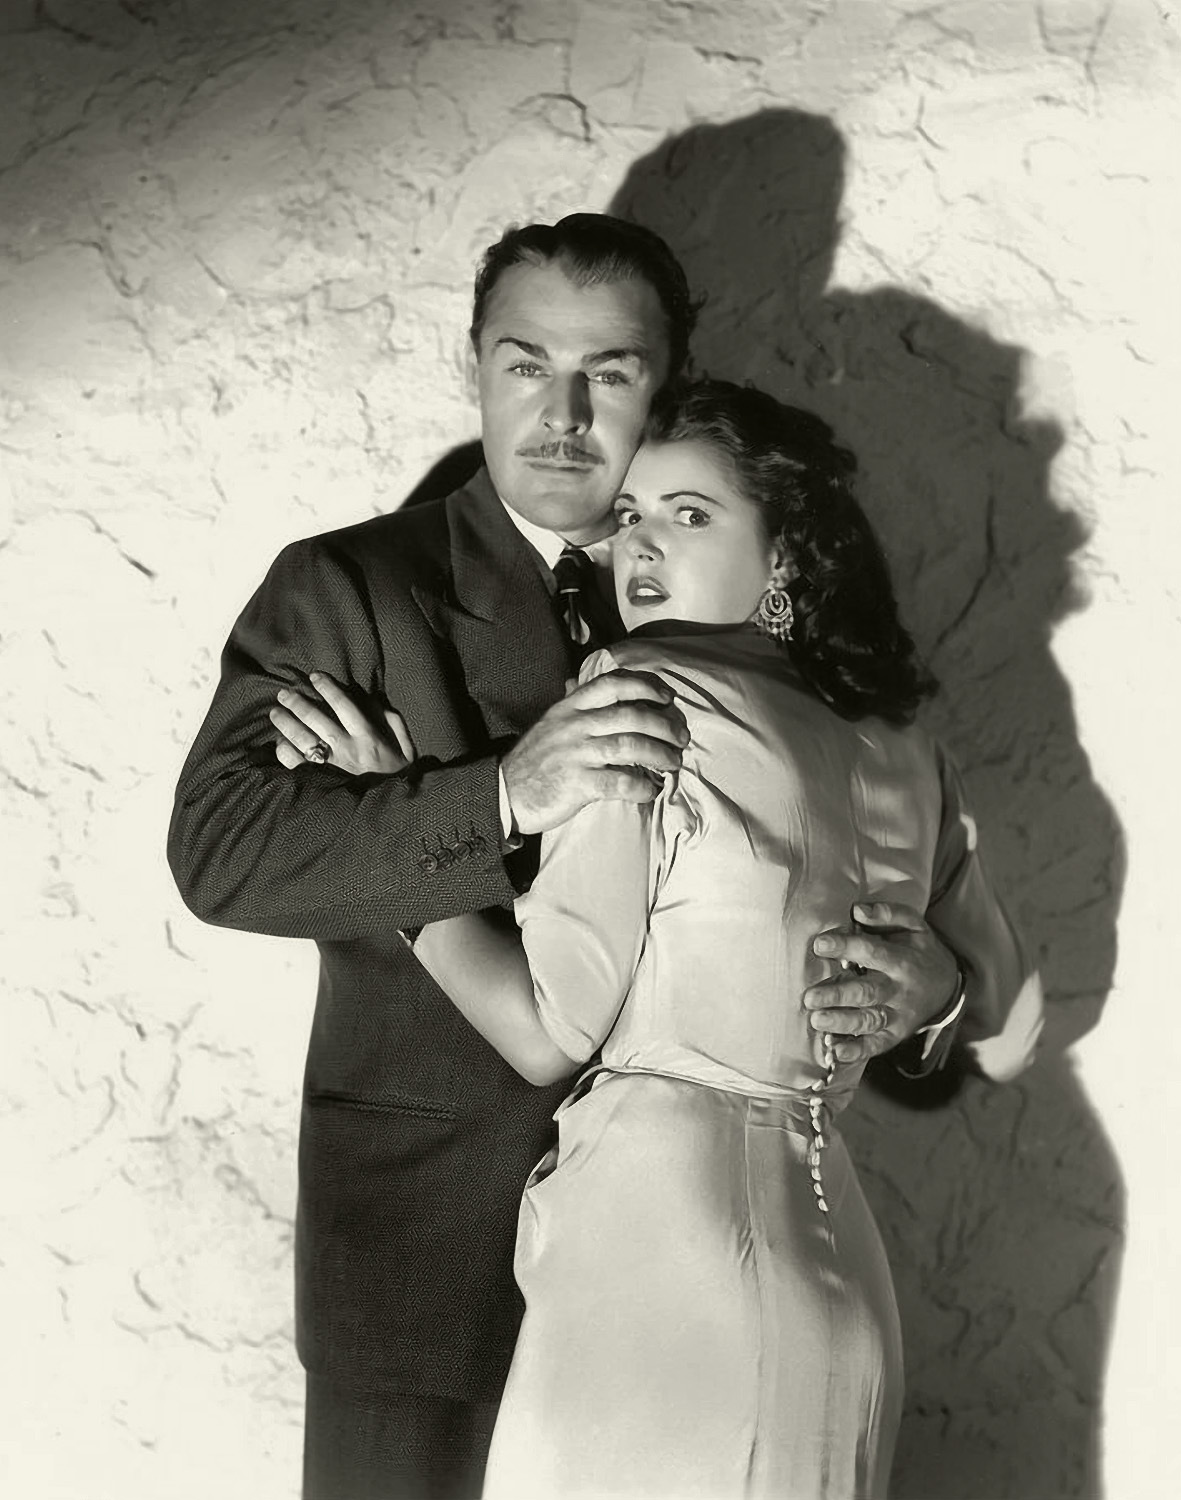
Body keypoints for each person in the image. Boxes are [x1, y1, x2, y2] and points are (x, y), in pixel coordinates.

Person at [168, 217, 967, 1500]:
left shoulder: (778, 638)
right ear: (474, 367)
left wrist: (932, 999)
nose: (563, 413)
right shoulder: (351, 588)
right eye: (525, 363)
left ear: (668, 383)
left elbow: (877, 952)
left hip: (698, 1288)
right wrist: (502, 795)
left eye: (609, 370)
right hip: (432, 1272)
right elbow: (221, 851)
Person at [276, 380, 1043, 1499]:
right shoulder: (909, 754)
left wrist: (398, 829)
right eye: (630, 514)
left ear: (785, 555)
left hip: (664, 1260)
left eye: (690, 514)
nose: (640, 543)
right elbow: (1012, 1033)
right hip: (842, 1282)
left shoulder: (638, 689)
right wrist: (937, 994)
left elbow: (544, 1029)